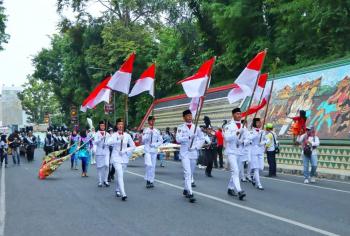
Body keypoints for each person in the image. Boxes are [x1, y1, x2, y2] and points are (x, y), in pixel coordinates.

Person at [176, 109, 205, 203]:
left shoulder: (196, 127)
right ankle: (190, 193)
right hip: (184, 153)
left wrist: (196, 147)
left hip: (193, 152)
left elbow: (202, 138)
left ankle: (185, 189)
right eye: (187, 116)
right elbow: (178, 139)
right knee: (187, 172)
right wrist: (188, 137)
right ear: (184, 117)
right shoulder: (180, 127)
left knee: (190, 173)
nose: (189, 117)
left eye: (190, 115)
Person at [107, 118, 135, 201]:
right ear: (117, 125)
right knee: (119, 174)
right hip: (116, 157)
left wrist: (125, 150)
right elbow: (108, 143)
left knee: (121, 175)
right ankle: (124, 194)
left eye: (122, 124)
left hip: (124, 158)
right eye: (119, 124)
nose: (120, 126)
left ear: (123, 125)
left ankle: (117, 189)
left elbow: (133, 146)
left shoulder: (127, 135)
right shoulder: (114, 135)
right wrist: (118, 138)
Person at [223, 107, 246, 200]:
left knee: (236, 171)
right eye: (237, 114)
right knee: (236, 171)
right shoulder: (228, 126)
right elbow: (227, 138)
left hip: (239, 152)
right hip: (231, 152)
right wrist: (237, 132)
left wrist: (243, 139)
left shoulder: (243, 126)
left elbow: (245, 139)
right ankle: (240, 191)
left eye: (240, 114)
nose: (239, 115)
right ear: (233, 115)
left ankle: (230, 188)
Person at [142, 116, 163, 188]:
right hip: (147, 150)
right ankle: (148, 180)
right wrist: (148, 135)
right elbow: (143, 140)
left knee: (153, 166)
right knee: (148, 165)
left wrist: (155, 144)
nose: (152, 122)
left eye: (153, 121)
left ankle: (151, 181)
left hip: (154, 150)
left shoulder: (157, 131)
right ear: (148, 122)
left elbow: (161, 141)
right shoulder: (145, 130)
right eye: (151, 121)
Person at [248, 118, 266, 190]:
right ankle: (259, 184)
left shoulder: (263, 131)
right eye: (258, 122)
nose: (259, 123)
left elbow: (265, 139)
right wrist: (257, 134)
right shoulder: (251, 131)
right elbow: (250, 138)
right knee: (256, 168)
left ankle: (254, 178)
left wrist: (264, 142)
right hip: (254, 151)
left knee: (261, 167)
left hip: (260, 151)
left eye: (260, 122)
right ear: (255, 123)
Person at [94, 121, 110, 187]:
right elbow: (95, 142)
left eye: (103, 125)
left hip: (106, 151)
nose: (102, 127)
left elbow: (110, 142)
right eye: (101, 125)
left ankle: (105, 180)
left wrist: (108, 143)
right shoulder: (96, 134)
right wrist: (101, 138)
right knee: (99, 167)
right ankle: (100, 181)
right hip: (99, 151)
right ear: (99, 126)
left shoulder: (108, 134)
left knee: (107, 165)